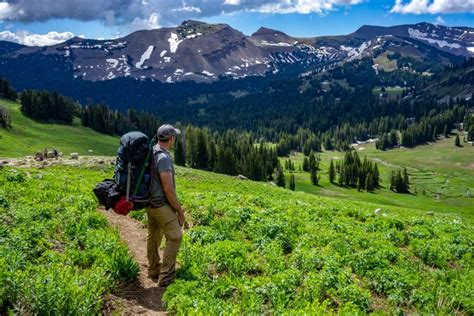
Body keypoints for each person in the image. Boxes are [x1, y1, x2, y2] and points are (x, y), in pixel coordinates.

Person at [146, 124, 185, 288]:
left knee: (154, 235)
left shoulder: (152, 151)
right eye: (174, 136)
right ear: (170, 139)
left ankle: (154, 269)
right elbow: (168, 189)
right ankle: (167, 277)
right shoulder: (164, 158)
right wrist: (179, 211)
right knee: (175, 236)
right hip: (160, 204)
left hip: (148, 202)